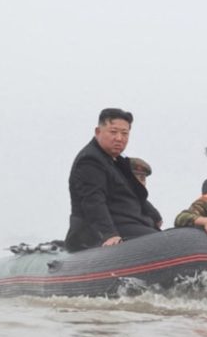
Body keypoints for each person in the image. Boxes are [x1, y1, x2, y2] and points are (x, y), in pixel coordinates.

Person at [64, 108, 162, 252]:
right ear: (98, 132)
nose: (119, 138)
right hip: (103, 230)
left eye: (124, 134)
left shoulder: (117, 162)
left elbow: (133, 193)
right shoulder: (90, 160)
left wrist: (154, 215)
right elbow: (92, 201)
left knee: (169, 239)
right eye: (113, 132)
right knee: (157, 243)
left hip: (131, 223)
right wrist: (108, 234)